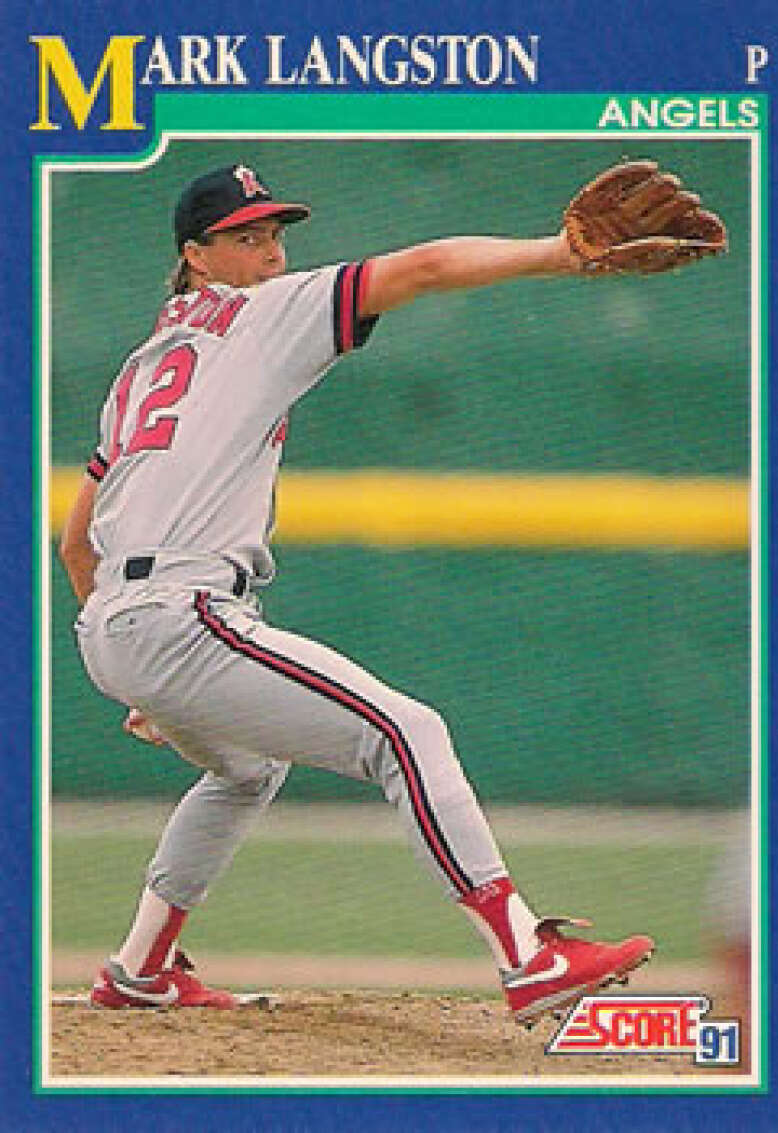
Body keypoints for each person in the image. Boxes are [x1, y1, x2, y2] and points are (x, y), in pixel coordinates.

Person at [59, 162, 654, 1025]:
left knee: (246, 768)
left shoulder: (140, 368)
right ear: (195, 255)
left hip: (116, 622)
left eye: (274, 234)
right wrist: (560, 254)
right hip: (181, 616)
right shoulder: (266, 312)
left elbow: (78, 540)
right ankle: (528, 955)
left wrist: (131, 665)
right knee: (406, 731)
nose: (269, 253)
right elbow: (424, 268)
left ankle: (141, 966)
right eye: (244, 238)